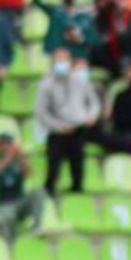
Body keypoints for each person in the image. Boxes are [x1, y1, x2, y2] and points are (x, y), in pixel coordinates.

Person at [35, 49, 98, 195]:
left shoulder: (81, 81)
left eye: (64, 60)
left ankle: (77, 193)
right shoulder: (46, 85)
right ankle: (49, 193)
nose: (61, 64)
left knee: (77, 164)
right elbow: (41, 112)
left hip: (78, 129)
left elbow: (93, 102)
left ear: (70, 62)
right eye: (58, 61)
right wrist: (59, 126)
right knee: (53, 165)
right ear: (53, 62)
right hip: (57, 131)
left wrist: (91, 116)